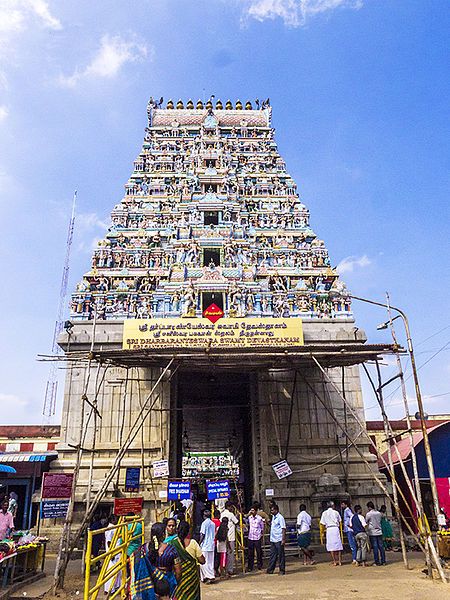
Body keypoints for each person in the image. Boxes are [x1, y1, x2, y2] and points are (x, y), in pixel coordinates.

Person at [134, 522, 181, 600]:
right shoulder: (171, 550)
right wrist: (175, 584)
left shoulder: (143, 549)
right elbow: (178, 571)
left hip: (149, 587)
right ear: (163, 534)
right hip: (167, 585)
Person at [170, 521, 205, 600]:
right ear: (188, 531)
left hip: (179, 577)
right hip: (192, 579)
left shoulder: (172, 543)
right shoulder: (193, 543)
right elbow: (202, 561)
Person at [320, 501, 343, 566]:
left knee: (331, 546)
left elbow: (322, 523)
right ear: (333, 506)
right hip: (335, 528)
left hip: (329, 529)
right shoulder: (336, 512)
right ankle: (340, 561)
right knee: (338, 545)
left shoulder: (324, 513)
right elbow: (340, 521)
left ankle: (334, 561)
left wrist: (322, 532)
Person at [220, 501, 239, 576]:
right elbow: (236, 522)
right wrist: (237, 515)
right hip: (230, 537)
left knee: (224, 554)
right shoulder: (230, 514)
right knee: (230, 553)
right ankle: (230, 570)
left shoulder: (222, 514)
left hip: (224, 537)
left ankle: (224, 569)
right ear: (229, 507)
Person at [104, 514, 121, 595]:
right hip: (113, 552)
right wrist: (112, 553)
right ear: (113, 520)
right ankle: (110, 589)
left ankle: (116, 587)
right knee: (111, 571)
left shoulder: (113, 527)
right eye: (116, 519)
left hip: (117, 551)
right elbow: (108, 542)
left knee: (118, 571)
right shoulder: (111, 528)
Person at [266, 504, 286, 575]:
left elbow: (283, 528)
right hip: (273, 539)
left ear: (276, 510)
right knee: (272, 555)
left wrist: (283, 539)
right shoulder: (273, 517)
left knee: (281, 555)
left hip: (279, 539)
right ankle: (270, 569)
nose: (271, 511)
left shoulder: (280, 517)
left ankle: (282, 570)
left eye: (272, 510)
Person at [199, 510, 216, 583]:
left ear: (204, 516)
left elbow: (202, 534)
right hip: (211, 545)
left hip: (205, 545)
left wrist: (199, 543)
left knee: (203, 562)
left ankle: (208, 576)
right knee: (210, 562)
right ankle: (209, 576)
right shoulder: (213, 524)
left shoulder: (204, 523)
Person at [247, 506, 265, 571]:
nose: (252, 512)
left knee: (258, 552)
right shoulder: (249, 518)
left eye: (253, 510)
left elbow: (262, 527)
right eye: (251, 510)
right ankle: (250, 566)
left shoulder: (259, 518)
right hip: (251, 537)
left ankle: (259, 565)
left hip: (257, 537)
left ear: (256, 511)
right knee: (250, 553)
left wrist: (261, 535)